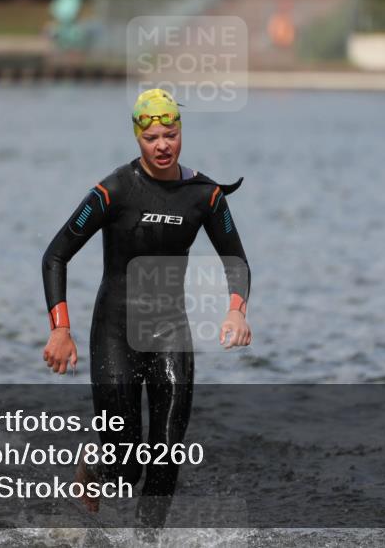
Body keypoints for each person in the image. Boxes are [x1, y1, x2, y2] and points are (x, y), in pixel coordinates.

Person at [41, 89, 252, 526]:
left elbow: (237, 260)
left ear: (181, 133)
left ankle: (147, 539)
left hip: (170, 329)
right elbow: (56, 255)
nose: (162, 145)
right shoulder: (114, 190)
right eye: (152, 137)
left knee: (168, 447)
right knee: (125, 466)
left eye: (170, 134)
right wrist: (61, 328)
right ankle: (95, 467)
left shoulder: (205, 195)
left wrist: (236, 310)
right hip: (115, 330)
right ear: (138, 138)